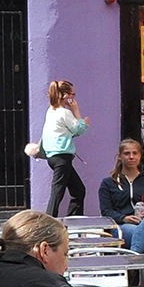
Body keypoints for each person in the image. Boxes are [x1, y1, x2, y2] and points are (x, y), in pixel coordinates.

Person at [99, 138, 144, 252]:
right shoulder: (108, 183)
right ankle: (141, 261)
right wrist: (124, 218)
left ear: (140, 156)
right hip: (122, 225)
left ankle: (134, 257)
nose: (131, 157)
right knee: (143, 233)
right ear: (119, 156)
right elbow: (106, 211)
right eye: (127, 153)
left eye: (135, 153)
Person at [31, 81, 88, 217]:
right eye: (72, 94)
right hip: (62, 157)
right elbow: (78, 130)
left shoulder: (51, 111)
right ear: (65, 95)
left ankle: (73, 219)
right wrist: (78, 115)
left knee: (78, 190)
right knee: (58, 191)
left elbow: (64, 132)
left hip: (54, 157)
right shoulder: (65, 112)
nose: (74, 98)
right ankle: (49, 219)